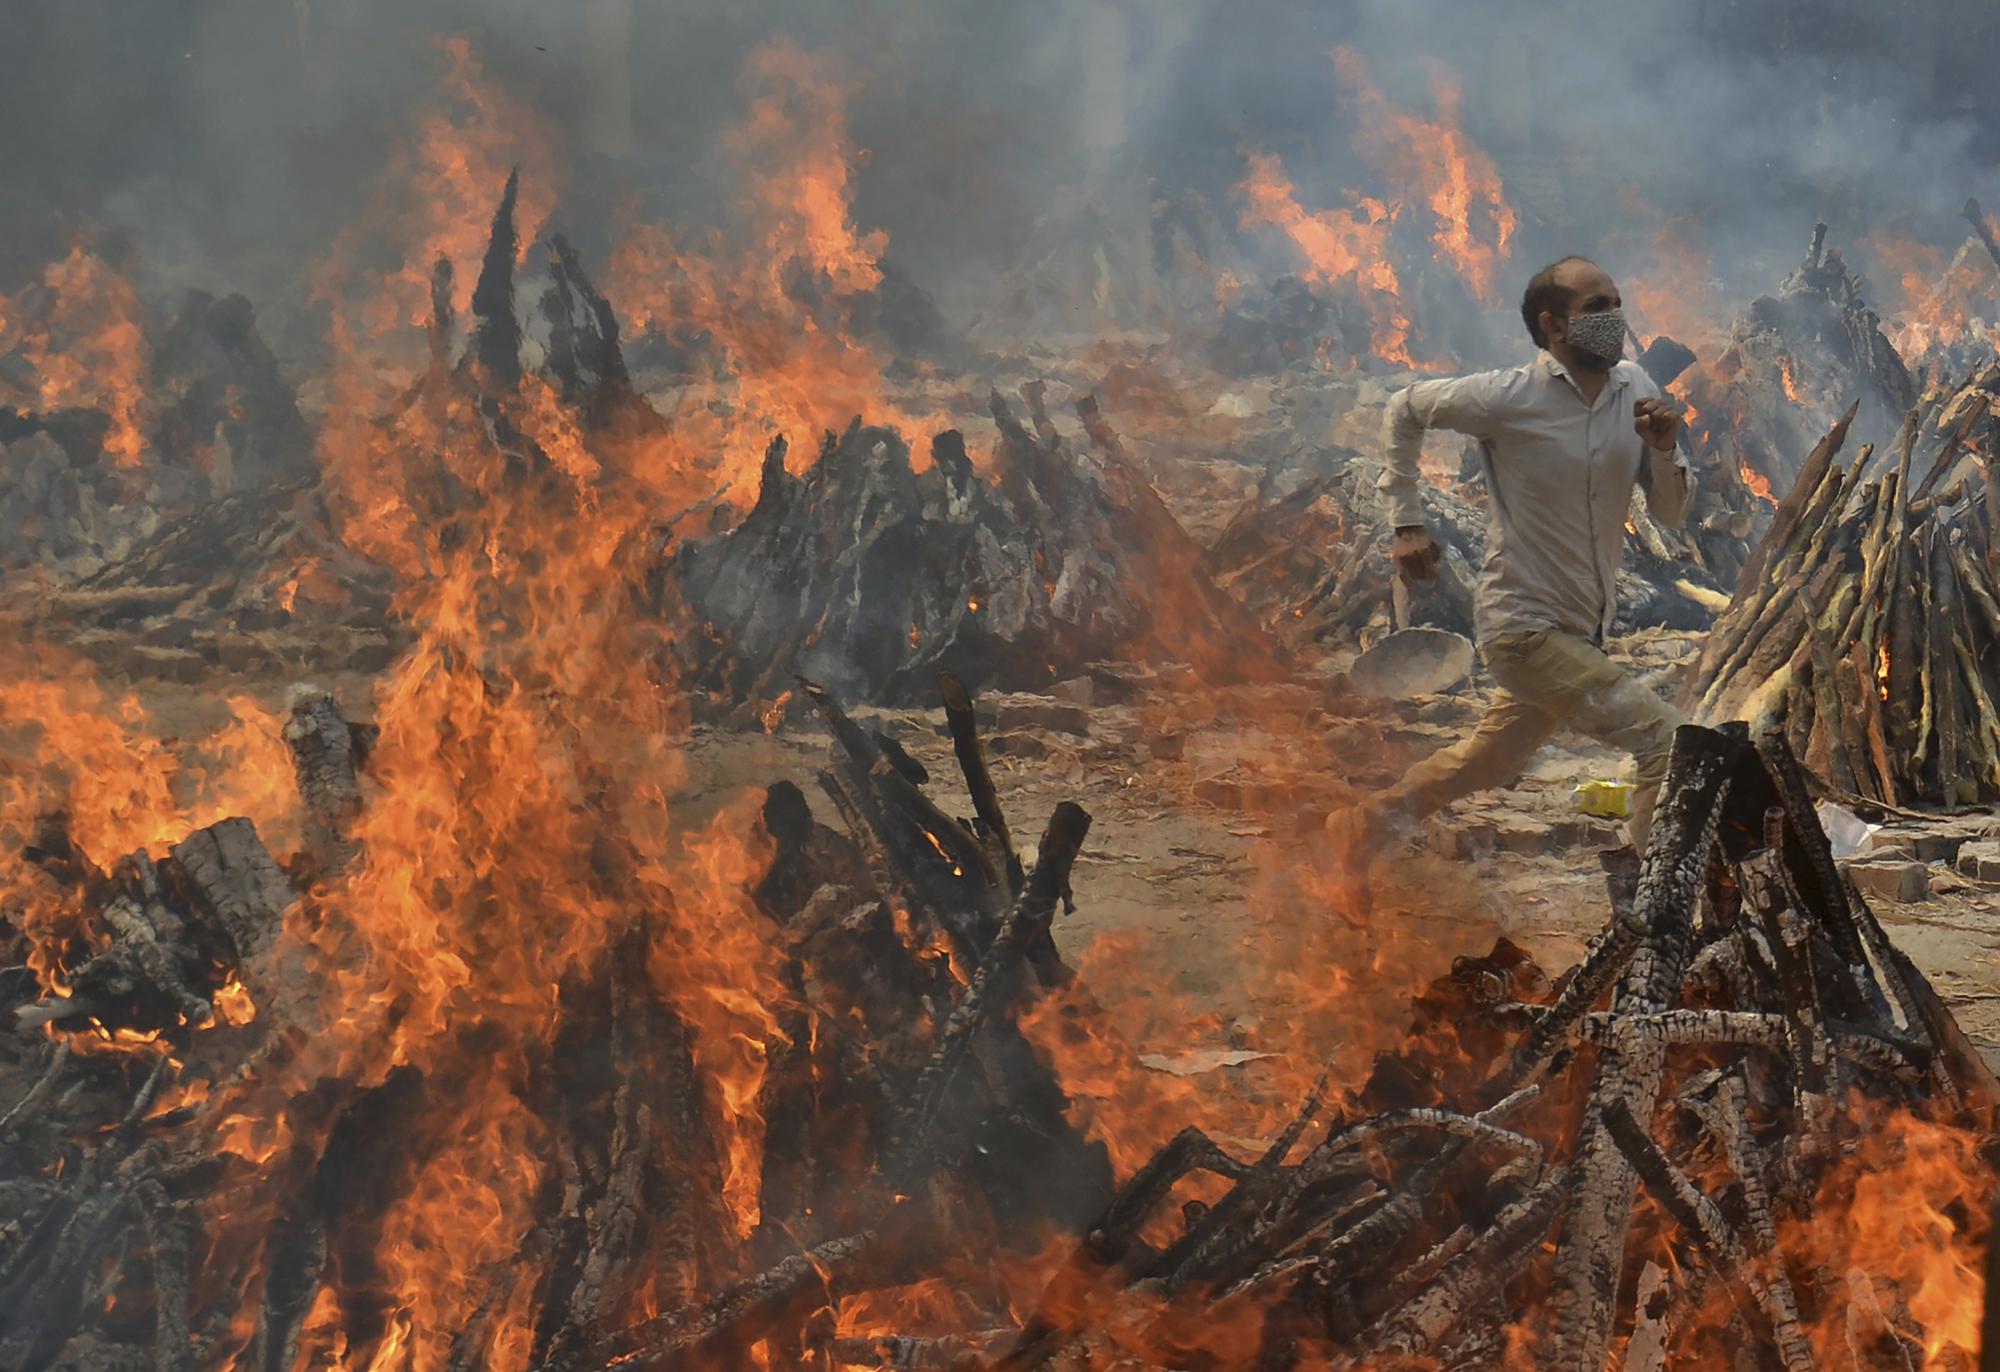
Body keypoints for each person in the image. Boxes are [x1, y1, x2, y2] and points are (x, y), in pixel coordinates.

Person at [1333, 256, 1692, 871]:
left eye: (1616, 302)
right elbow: (1405, 409)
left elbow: (1671, 512)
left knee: (1489, 762)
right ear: (1554, 327)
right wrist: (1407, 522)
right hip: (1521, 628)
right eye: (1596, 309)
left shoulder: (1636, 388)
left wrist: (1665, 450)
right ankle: (1665, 907)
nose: (1615, 319)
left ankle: (1355, 832)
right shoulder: (1509, 397)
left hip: (1581, 630)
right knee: (1667, 742)